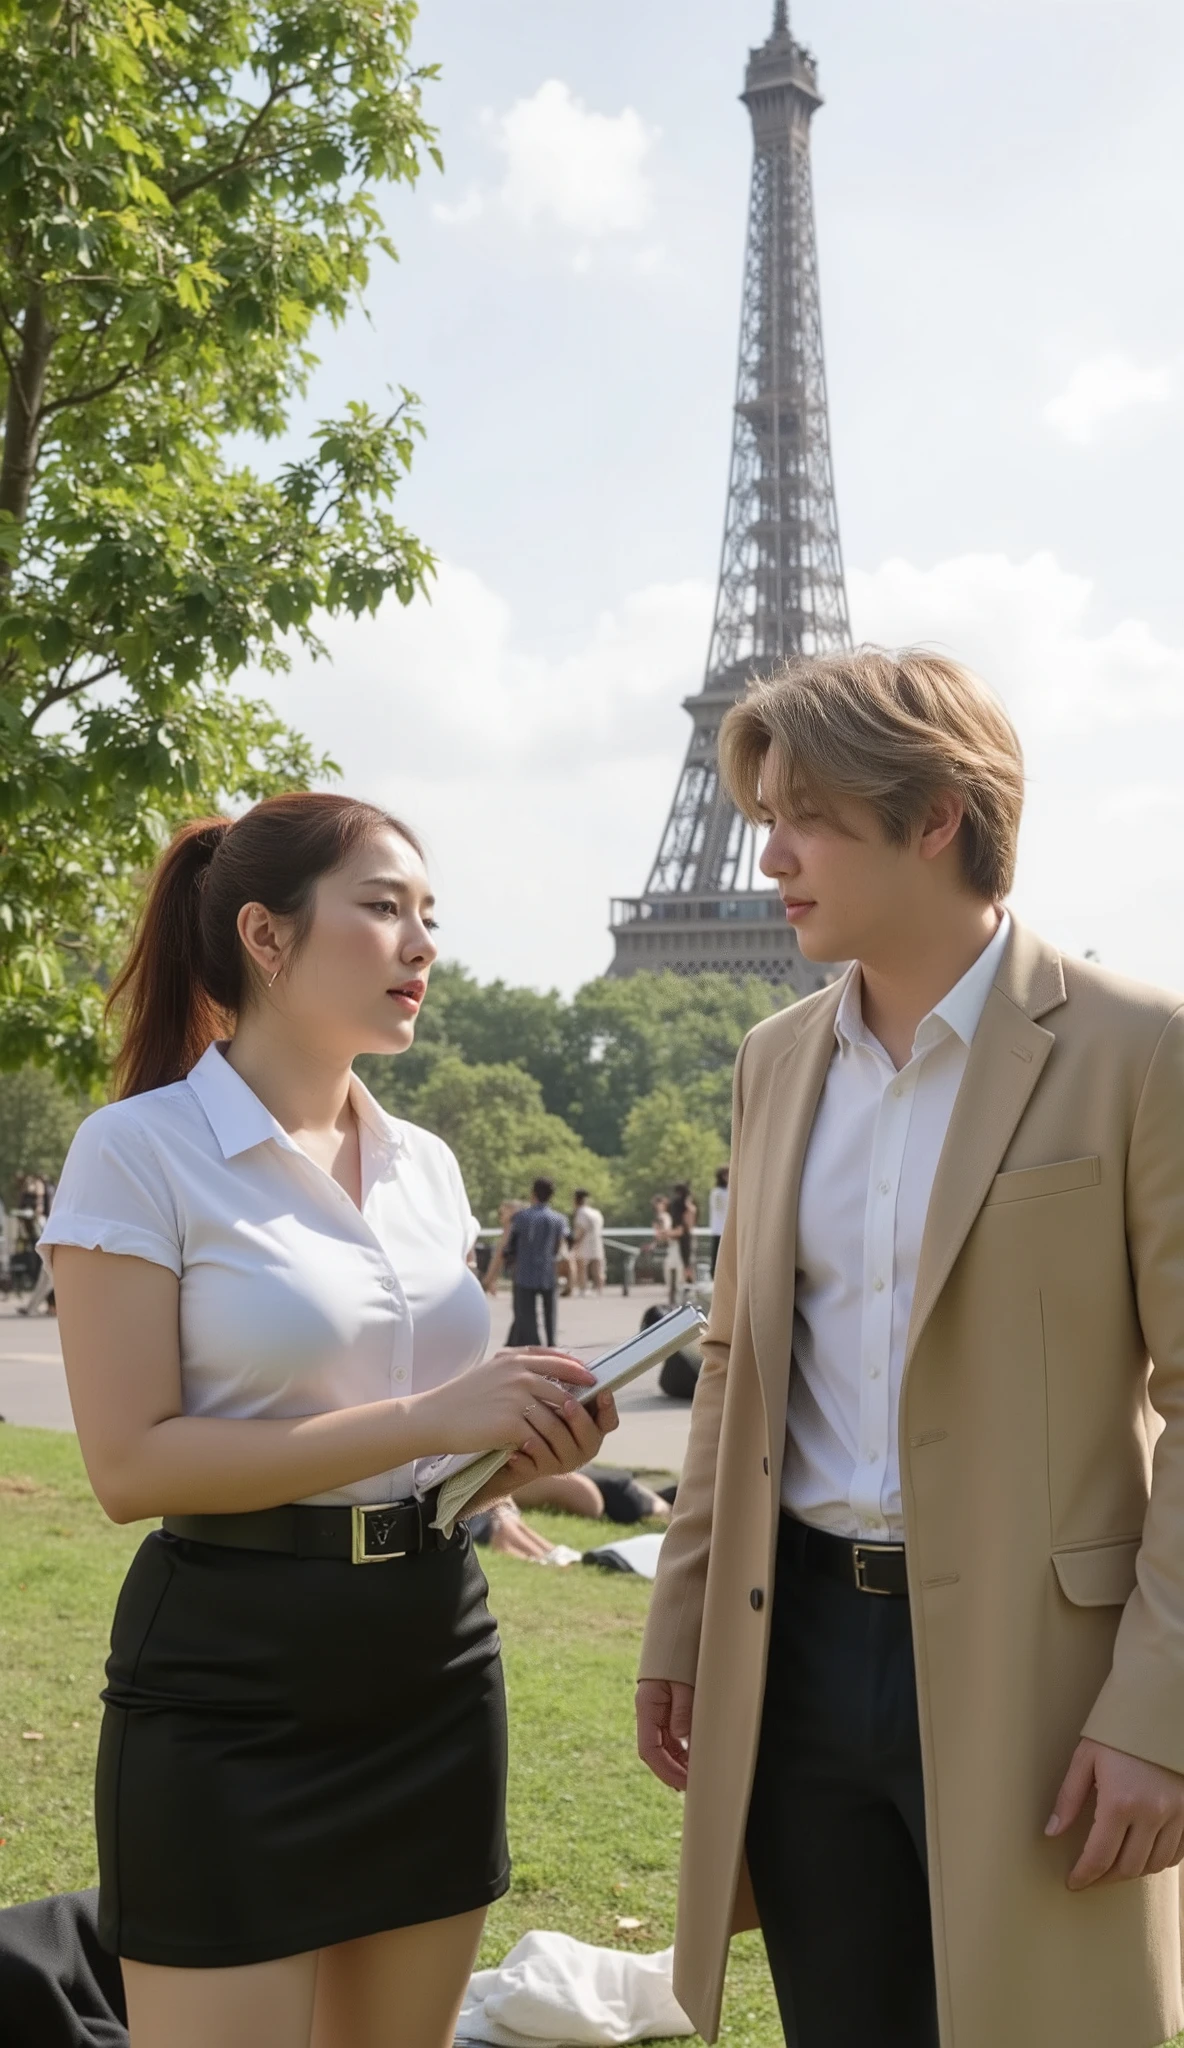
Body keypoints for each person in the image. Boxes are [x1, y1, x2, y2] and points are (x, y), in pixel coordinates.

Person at [635, 648, 1184, 2048]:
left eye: (804, 817)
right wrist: (686, 1619)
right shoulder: (773, 1060)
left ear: (935, 816)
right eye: (762, 816)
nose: (771, 857)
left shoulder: (1141, 1050)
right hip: (801, 1650)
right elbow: (740, 1373)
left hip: (1043, 1677)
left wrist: (1156, 1710)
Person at [37, 793, 618, 2048]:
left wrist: (510, 1446)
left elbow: (411, 1422)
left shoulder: (428, 1165)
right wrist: (431, 1407)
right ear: (266, 933)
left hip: (433, 1657)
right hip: (230, 1677)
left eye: (429, 916)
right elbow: (130, 1463)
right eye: (383, 907)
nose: (421, 943)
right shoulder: (134, 1152)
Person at [491, 1177, 566, 1349]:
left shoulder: (520, 1218)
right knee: (550, 1313)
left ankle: (535, 1346)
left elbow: (511, 1245)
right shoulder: (558, 1219)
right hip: (547, 1271)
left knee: (526, 1315)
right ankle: (552, 1342)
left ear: (533, 1194)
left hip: (524, 1272)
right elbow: (558, 1246)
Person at [570, 1189, 605, 1296]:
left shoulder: (581, 1213)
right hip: (597, 1241)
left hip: (585, 1242)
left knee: (582, 1267)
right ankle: (600, 1289)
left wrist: (575, 1243)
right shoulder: (596, 1213)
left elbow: (581, 1229)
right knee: (598, 1267)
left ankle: (583, 1289)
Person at [668, 1184, 697, 1290]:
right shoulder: (683, 1206)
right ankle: (687, 1283)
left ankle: (687, 1283)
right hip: (684, 1237)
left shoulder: (683, 1206)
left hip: (683, 1236)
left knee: (686, 1262)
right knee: (686, 1262)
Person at [707, 1166, 729, 1279]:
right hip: (719, 1229)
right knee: (717, 1257)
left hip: (726, 1229)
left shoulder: (727, 1191)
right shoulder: (717, 1193)